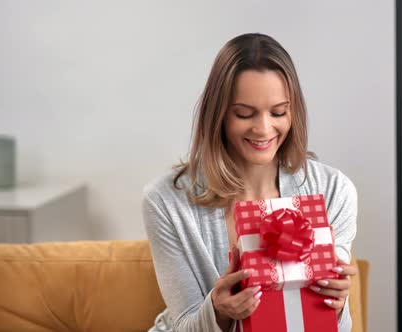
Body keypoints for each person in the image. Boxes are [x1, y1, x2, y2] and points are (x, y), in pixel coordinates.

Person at [142, 33, 358, 332]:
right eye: (244, 114)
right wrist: (218, 311)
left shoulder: (333, 191)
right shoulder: (166, 200)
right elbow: (183, 325)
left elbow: (335, 324)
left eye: (279, 112)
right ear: (218, 115)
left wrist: (338, 302)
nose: (264, 128)